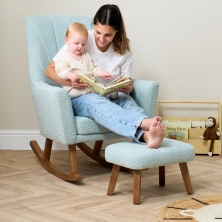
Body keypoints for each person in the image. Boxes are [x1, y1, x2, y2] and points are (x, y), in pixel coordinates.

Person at [45, 4, 164, 148]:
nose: (101, 39)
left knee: (128, 101)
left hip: (111, 93)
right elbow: (49, 70)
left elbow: (125, 79)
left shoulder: (124, 48)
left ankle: (146, 136)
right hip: (84, 95)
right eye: (98, 32)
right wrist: (71, 83)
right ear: (94, 25)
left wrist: (127, 86)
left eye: (108, 35)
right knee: (97, 102)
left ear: (116, 32)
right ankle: (143, 122)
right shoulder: (81, 40)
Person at [55, 22, 114, 98]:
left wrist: (102, 73)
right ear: (66, 41)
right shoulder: (64, 57)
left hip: (90, 85)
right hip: (74, 87)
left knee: (101, 86)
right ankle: (91, 93)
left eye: (83, 44)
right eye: (76, 43)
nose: (80, 47)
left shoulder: (86, 55)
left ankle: (108, 94)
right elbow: (61, 70)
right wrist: (70, 76)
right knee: (72, 92)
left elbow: (93, 68)